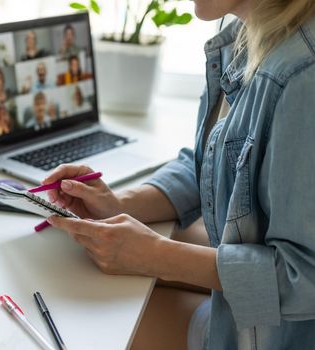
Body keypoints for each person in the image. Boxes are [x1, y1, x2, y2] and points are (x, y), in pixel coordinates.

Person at [42, 1, 315, 349]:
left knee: (97, 330)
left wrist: (156, 254)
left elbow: (304, 276)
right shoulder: (244, 34)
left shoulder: (303, 76)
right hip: (244, 316)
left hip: (279, 335)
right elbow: (213, 161)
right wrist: (119, 203)